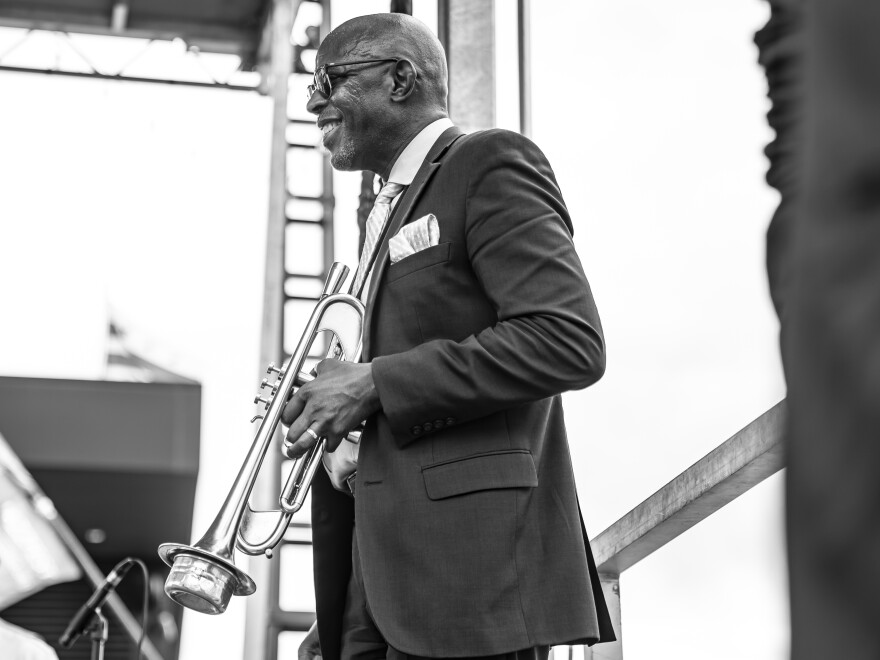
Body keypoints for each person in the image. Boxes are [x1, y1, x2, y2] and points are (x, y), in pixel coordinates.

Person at [281, 13, 615, 660]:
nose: (315, 99)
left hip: (472, 587)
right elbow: (397, 394)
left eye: (329, 79)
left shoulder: (487, 164)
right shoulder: (380, 208)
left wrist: (374, 382)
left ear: (399, 79)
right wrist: (331, 412)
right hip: (377, 585)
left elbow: (567, 339)